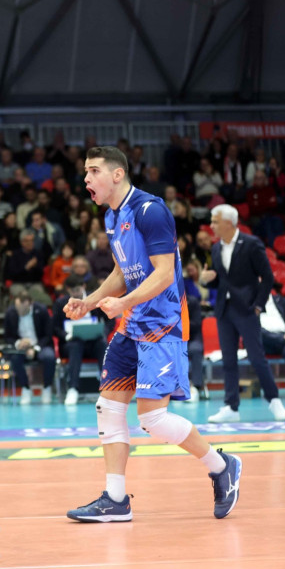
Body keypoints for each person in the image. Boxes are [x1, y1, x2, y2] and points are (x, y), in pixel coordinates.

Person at [64, 146, 242, 523]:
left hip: (163, 325)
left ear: (117, 175)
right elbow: (121, 271)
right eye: (85, 172)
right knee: (108, 408)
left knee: (153, 420)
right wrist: (90, 302)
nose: (86, 179)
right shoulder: (112, 217)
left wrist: (123, 301)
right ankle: (115, 499)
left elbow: (163, 273)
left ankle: (221, 466)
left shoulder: (150, 210)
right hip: (131, 325)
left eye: (93, 171)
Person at [201, 204, 285, 423]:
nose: (211, 225)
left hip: (247, 309)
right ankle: (231, 406)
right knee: (228, 360)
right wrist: (207, 280)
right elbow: (222, 280)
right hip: (224, 310)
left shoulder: (251, 244)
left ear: (228, 222)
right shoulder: (216, 248)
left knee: (257, 357)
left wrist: (258, 305)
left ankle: (274, 399)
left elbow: (268, 277)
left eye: (215, 221)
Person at [53, 274, 107, 406]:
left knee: (102, 344)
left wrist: (103, 331)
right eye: (72, 291)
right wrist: (67, 335)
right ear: (67, 290)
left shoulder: (94, 300)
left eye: (78, 290)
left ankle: (107, 387)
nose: (76, 293)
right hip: (72, 344)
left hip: (93, 342)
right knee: (75, 345)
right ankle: (73, 388)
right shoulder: (60, 303)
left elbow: (109, 320)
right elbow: (54, 327)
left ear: (83, 286)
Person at [4, 292, 57, 405]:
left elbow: (48, 335)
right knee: (15, 359)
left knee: (49, 357)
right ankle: (25, 388)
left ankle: (47, 387)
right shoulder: (11, 313)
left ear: (28, 303)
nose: (18, 311)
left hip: (40, 345)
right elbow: (8, 337)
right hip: (21, 348)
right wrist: (18, 343)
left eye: (21, 309)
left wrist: (35, 348)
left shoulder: (42, 310)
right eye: (17, 308)